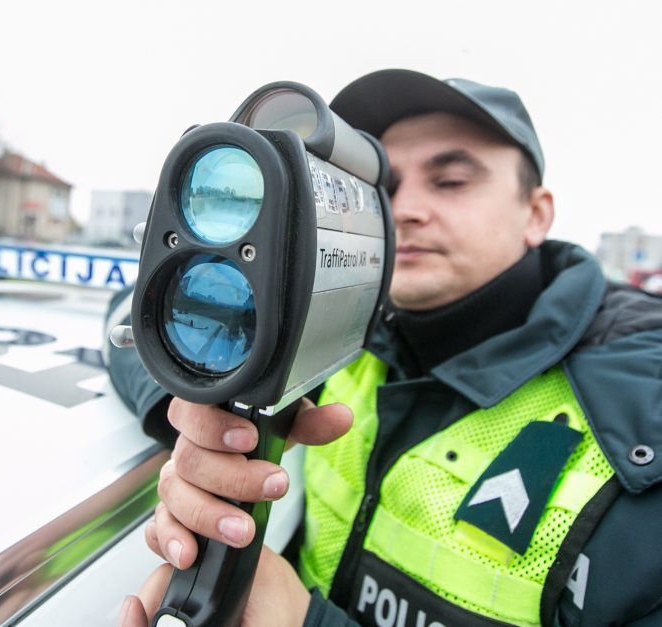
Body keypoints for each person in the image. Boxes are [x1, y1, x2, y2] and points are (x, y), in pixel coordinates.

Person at [109, 69, 662, 626]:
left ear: (537, 212)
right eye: (387, 190)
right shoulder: (348, 324)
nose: (406, 210)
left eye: (450, 182)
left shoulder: (641, 417)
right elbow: (140, 307)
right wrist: (202, 400)